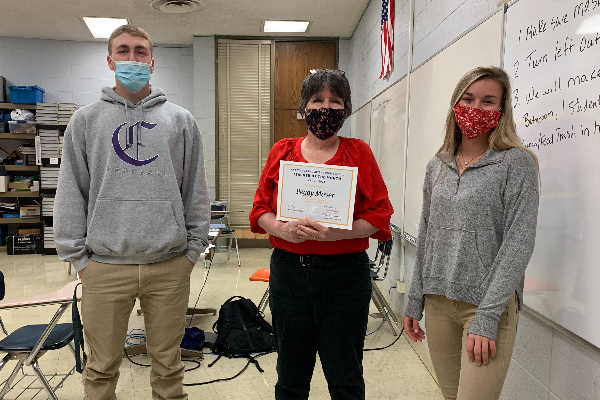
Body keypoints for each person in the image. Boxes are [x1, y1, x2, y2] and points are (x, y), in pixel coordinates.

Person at [54, 24, 210, 400]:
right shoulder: (86, 121)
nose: (132, 58)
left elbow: (196, 191)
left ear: (152, 62)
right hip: (105, 267)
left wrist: (192, 252)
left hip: (169, 264)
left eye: (140, 51)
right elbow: (71, 191)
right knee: (101, 367)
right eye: (123, 51)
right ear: (110, 60)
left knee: (169, 365)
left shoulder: (180, 121)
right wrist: (79, 259)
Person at [249, 69, 394, 400]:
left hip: (344, 277)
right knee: (290, 375)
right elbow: (259, 211)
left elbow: (379, 215)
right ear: (304, 108)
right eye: (317, 100)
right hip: (289, 274)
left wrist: (337, 234)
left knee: (345, 377)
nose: (325, 109)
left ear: (346, 109)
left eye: (335, 101)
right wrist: (281, 227)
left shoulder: (359, 153)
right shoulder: (283, 152)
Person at [403, 66, 540, 400]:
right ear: (455, 103)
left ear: (502, 110)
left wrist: (488, 316)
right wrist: (414, 299)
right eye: (468, 98)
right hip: (438, 303)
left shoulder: (516, 163)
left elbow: (518, 243)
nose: (476, 108)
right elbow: (427, 234)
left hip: (485, 307)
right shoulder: (438, 165)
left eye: (488, 101)